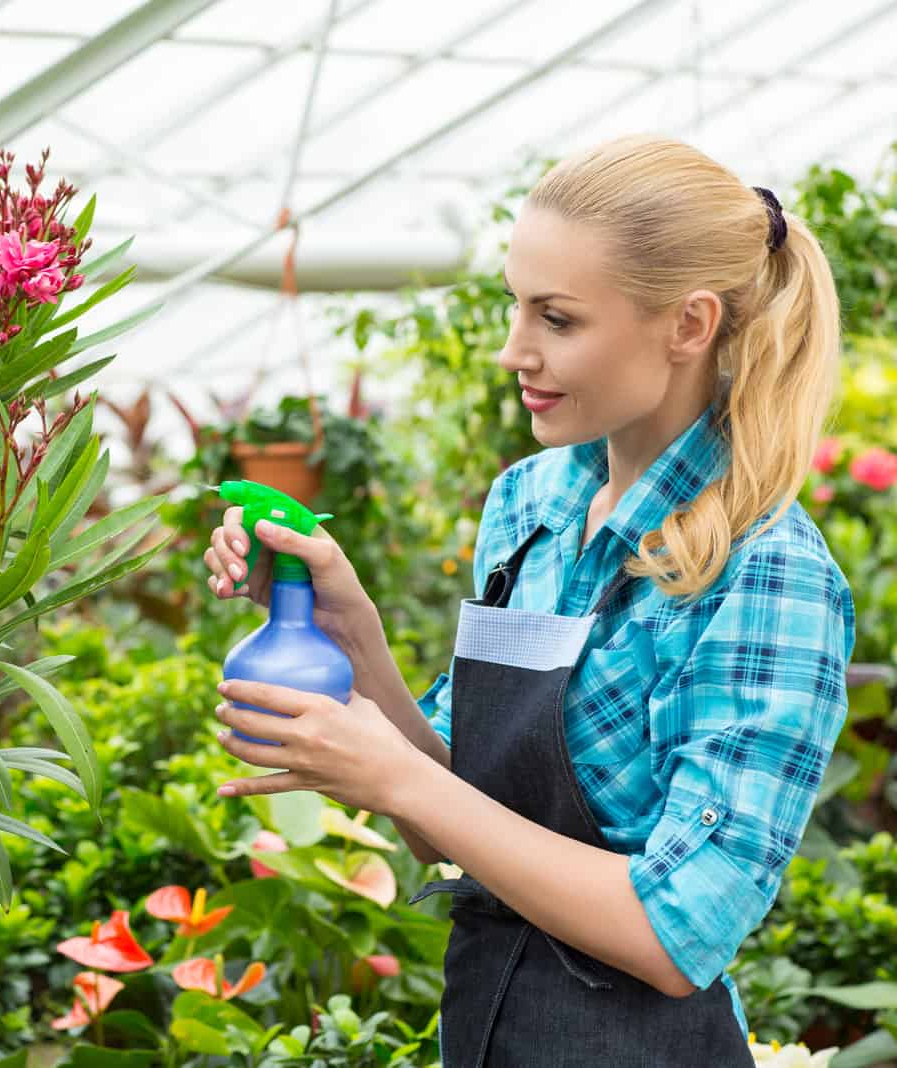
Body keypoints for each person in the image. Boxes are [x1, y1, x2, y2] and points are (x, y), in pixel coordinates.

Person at [201, 134, 855, 1067]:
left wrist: (396, 776)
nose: (516, 350)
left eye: (557, 319)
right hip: (488, 1032)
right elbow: (450, 823)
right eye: (518, 307)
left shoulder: (769, 576)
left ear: (689, 324)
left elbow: (678, 934)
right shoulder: (532, 504)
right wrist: (353, 634)